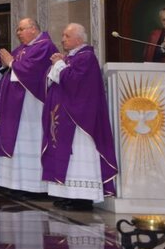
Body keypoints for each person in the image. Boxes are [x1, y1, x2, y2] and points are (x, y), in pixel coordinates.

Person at [42, 23, 118, 211]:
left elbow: (74, 82)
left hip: (80, 120)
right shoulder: (71, 57)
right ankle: (68, 194)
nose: (62, 39)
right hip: (65, 118)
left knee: (79, 156)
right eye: (63, 36)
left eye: (67, 36)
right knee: (66, 156)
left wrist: (59, 64)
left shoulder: (87, 57)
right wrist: (58, 64)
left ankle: (83, 198)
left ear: (79, 39)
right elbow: (56, 80)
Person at [0, 17, 57, 194]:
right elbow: (12, 68)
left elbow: (32, 73)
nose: (18, 33)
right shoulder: (25, 48)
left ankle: (30, 186)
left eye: (21, 29)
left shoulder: (44, 46)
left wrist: (11, 62)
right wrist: (5, 65)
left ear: (33, 29)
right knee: (15, 142)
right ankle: (14, 183)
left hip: (30, 106)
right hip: (16, 105)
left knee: (27, 142)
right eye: (18, 30)